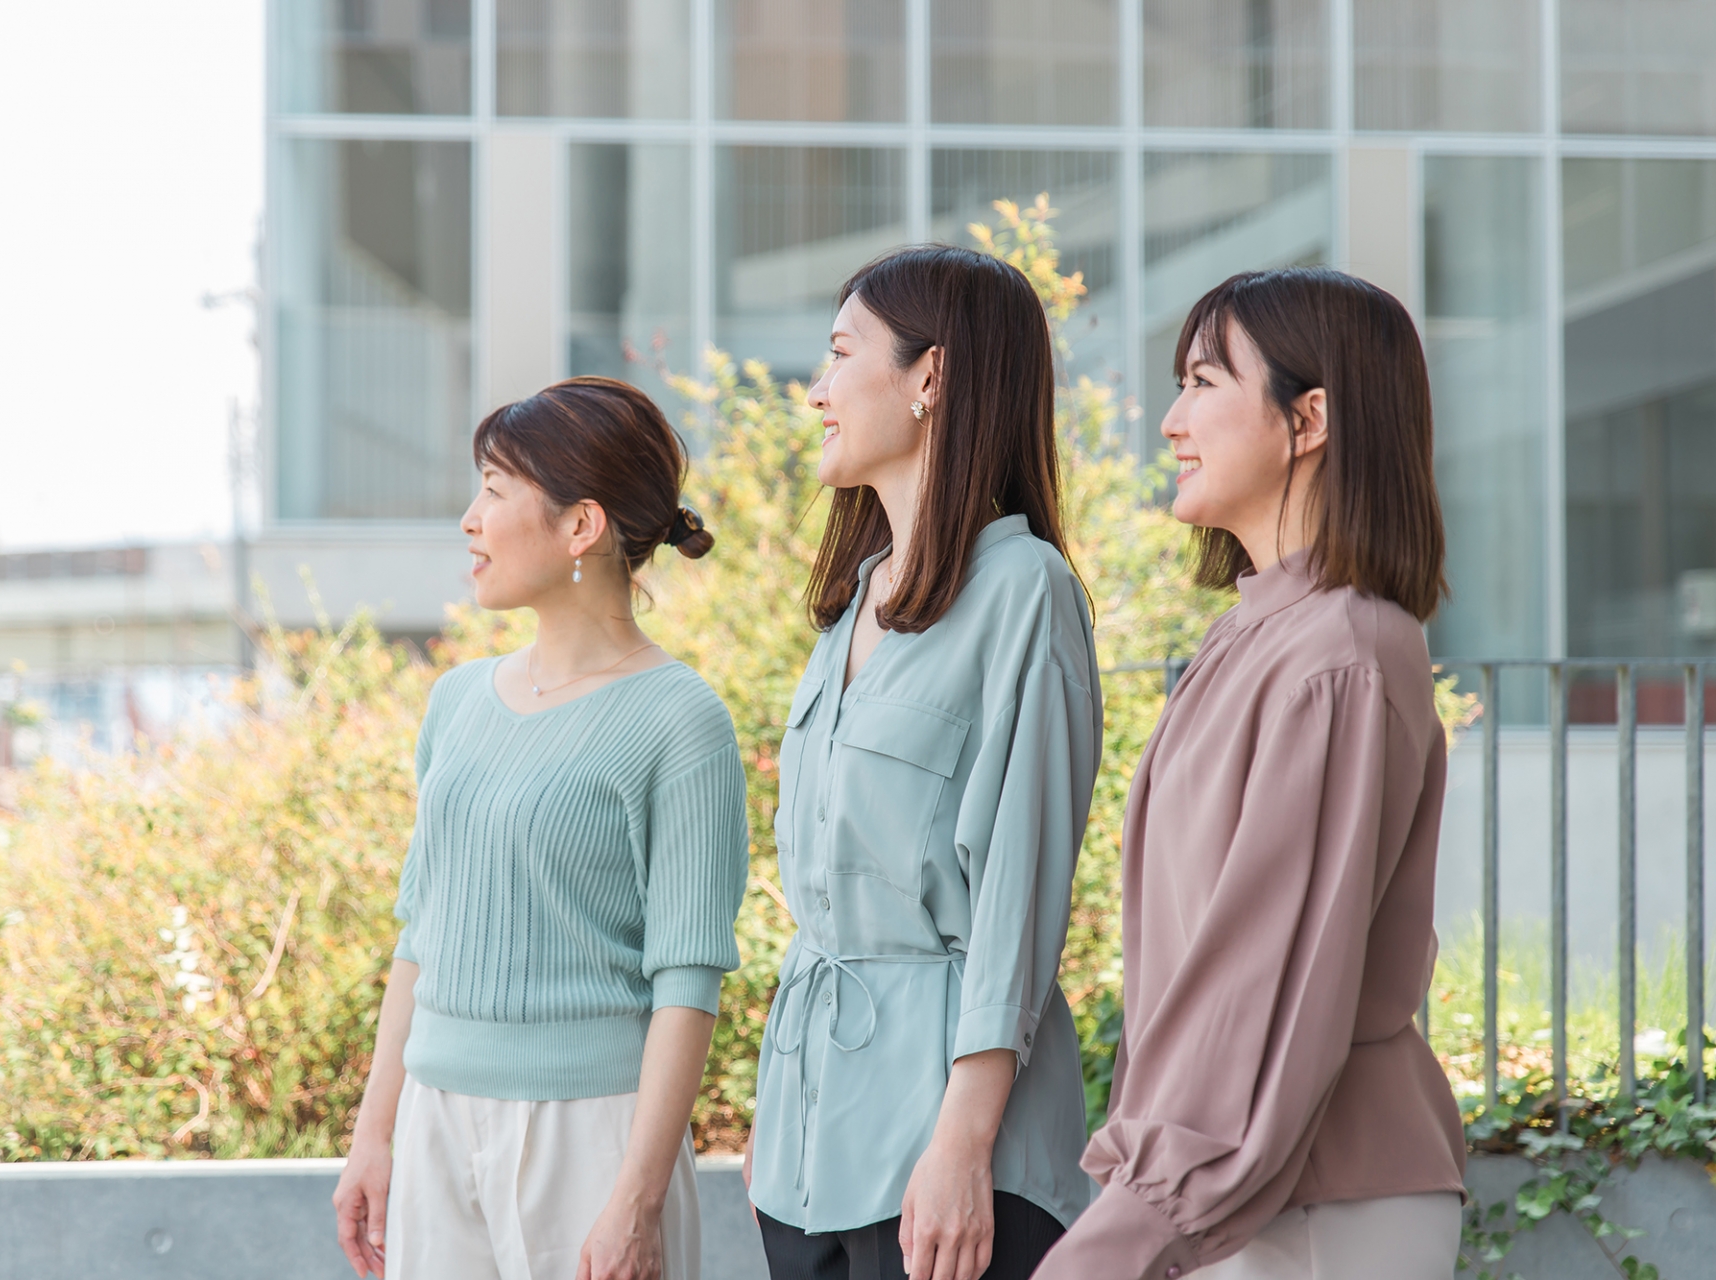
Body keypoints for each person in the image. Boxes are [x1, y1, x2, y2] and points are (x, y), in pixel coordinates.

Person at [1035, 268, 1465, 1280]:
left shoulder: (1341, 651)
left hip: (1315, 1207)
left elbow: (1261, 971)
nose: (1172, 419)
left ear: (1308, 417)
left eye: (1202, 381)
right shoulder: (1257, 636)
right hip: (1243, 1195)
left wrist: (1124, 1228)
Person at [330, 376, 750, 1280]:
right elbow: (422, 935)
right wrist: (374, 1134)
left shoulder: (681, 720)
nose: (469, 520)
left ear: (580, 527)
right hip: (436, 1120)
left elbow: (688, 976)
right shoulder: (456, 702)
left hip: (591, 1135)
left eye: (495, 489)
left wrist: (637, 1198)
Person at [744, 244, 1103, 1280]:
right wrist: (785, 1115)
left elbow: (1017, 904)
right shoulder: (856, 597)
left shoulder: (1025, 589)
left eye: (840, 353)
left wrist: (962, 1144)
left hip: (950, 1155)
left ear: (930, 377)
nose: (816, 391)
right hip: (808, 1151)